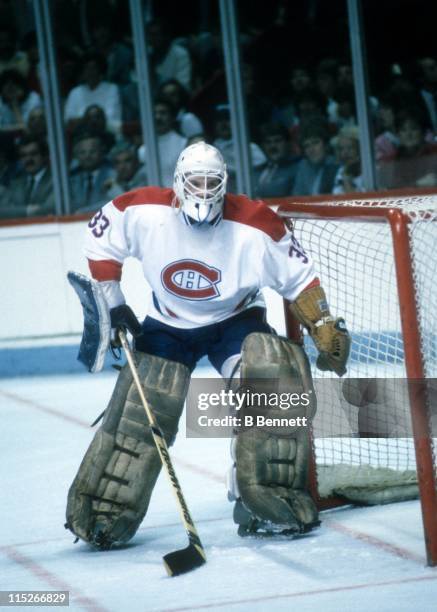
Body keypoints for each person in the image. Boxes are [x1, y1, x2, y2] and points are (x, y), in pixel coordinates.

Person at [65, 141, 351, 549]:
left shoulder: (257, 223)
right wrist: (114, 303)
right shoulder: (143, 209)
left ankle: (263, 497)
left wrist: (323, 324)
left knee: (274, 382)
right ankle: (106, 508)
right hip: (168, 323)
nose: (202, 190)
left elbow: (300, 280)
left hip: (234, 320)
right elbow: (100, 244)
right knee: (140, 407)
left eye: (211, 182)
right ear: (178, 182)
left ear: (225, 183)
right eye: (194, 181)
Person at [64, 53, 121, 135]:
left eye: (93, 68)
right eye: (87, 68)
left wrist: (83, 120)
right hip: (80, 137)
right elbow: (69, 122)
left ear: (100, 70)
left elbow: (111, 118)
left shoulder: (112, 88)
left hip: (107, 135)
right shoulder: (75, 92)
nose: (90, 72)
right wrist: (88, 119)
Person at [0, 134, 55, 218]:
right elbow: (3, 211)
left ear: (44, 156)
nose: (28, 159)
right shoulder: (15, 183)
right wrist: (27, 210)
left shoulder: (56, 180)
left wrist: (17, 212)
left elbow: (48, 209)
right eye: (23, 155)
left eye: (33, 154)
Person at [137, 97, 187, 187]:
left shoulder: (183, 144)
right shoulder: (143, 150)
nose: (158, 117)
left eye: (163, 113)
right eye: (154, 113)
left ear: (172, 117)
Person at [69, 132, 114, 213]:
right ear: (76, 155)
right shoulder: (71, 180)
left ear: (102, 152)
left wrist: (82, 212)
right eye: (82, 152)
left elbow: (112, 203)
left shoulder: (113, 174)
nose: (87, 156)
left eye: (92, 151)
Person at [292, 121, 339, 195]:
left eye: (315, 142)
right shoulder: (303, 166)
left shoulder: (336, 164)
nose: (311, 149)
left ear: (326, 144)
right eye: (307, 146)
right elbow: (297, 196)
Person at [255, 122, 299, 197]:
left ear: (288, 143)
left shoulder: (298, 167)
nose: (273, 146)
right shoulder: (257, 170)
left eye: (277, 141)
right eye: (268, 142)